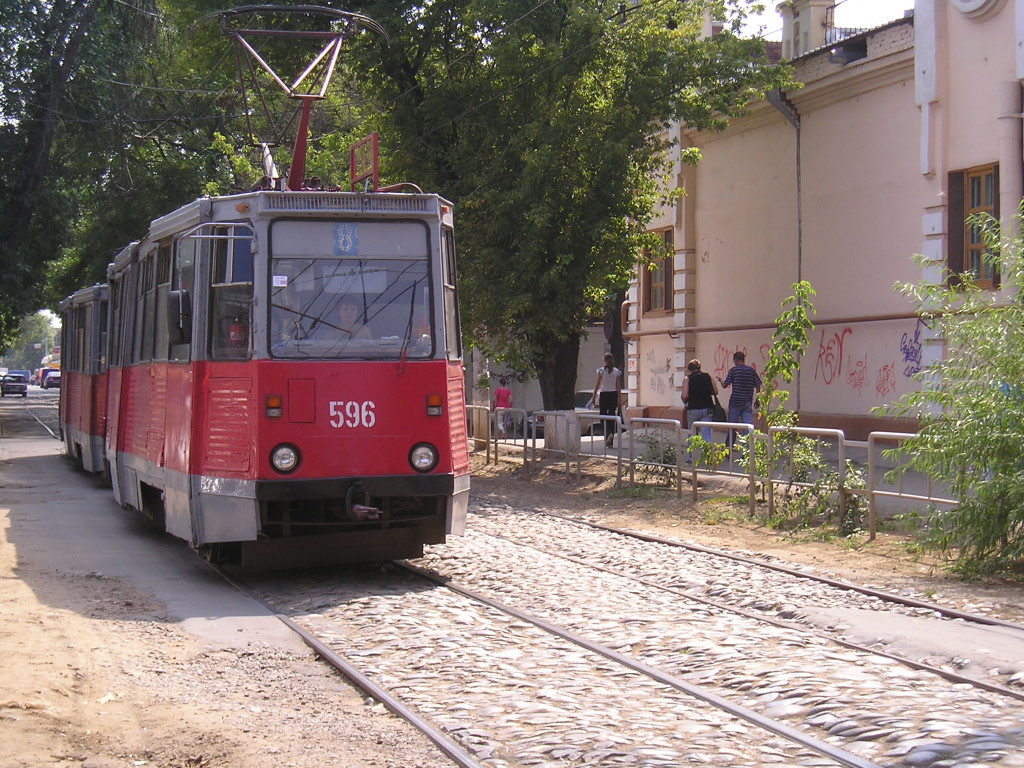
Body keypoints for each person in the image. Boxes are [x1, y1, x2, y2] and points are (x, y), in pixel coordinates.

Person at [717, 351, 762, 448]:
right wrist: (757, 399)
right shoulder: (751, 371)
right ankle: (746, 449)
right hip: (747, 402)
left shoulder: (733, 370)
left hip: (735, 402)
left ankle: (729, 448)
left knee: (732, 427)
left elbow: (725, 385)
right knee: (747, 427)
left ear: (736, 359)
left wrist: (721, 380)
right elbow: (758, 385)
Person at [680, 359, 717, 459]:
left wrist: (685, 401)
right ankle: (710, 455)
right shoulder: (708, 376)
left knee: (692, 432)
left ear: (689, 369)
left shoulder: (687, 379)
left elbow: (684, 396)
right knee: (706, 432)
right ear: (699, 367)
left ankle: (691, 457)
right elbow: (715, 391)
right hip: (707, 408)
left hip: (693, 408)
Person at [591, 352, 623, 447]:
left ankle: (607, 434)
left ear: (604, 361)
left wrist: (594, 396)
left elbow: (597, 384)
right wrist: (620, 399)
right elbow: (618, 386)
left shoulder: (601, 371)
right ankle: (611, 439)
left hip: (604, 394)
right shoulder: (616, 371)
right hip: (613, 395)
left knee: (603, 416)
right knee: (612, 416)